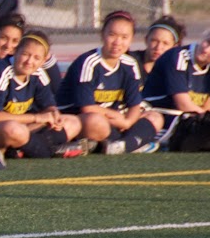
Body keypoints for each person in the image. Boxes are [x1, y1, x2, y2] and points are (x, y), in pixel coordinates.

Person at [61, 10, 160, 155]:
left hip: (116, 120)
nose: (117, 42)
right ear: (102, 35)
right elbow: (87, 108)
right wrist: (120, 120)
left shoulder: (130, 64)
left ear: (131, 39)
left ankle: (121, 145)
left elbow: (134, 106)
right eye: (112, 35)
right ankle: (133, 142)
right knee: (96, 122)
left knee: (155, 117)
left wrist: (127, 122)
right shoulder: (88, 62)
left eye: (124, 37)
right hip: (82, 119)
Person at [0, 30, 85, 158]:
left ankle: (20, 149)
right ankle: (49, 150)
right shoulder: (0, 71)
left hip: (24, 128)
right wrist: (37, 118)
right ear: (15, 51)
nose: (29, 61)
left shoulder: (38, 74)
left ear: (43, 61)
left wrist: (55, 117)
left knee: (73, 122)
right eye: (25, 54)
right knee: (13, 130)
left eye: (36, 58)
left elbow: (49, 106)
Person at [142, 27, 210, 120]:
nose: (206, 49)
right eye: (208, 42)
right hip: (156, 114)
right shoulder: (179, 57)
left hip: (183, 120)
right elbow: (183, 105)